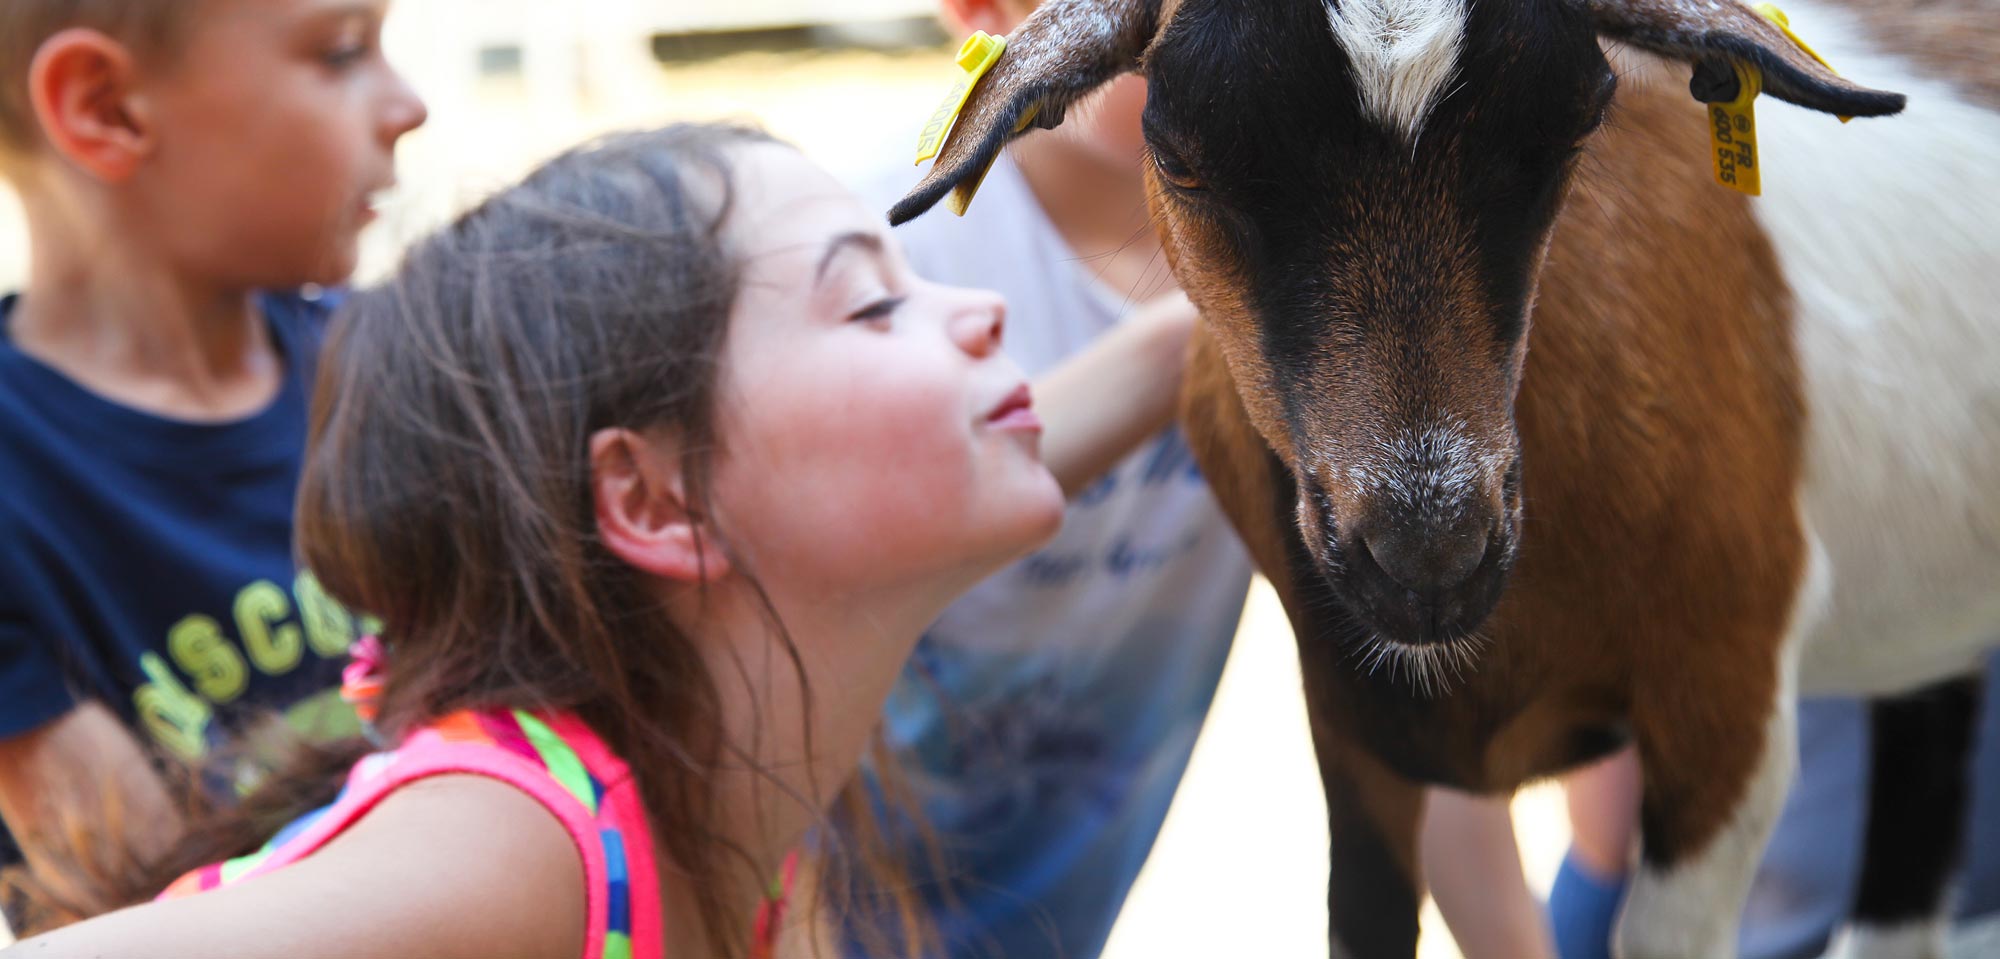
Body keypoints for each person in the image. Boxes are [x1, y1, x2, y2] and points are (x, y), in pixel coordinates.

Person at [2, 119, 1201, 959]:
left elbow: (1059, 412)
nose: (979, 310)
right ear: (656, 499)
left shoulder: (743, 808)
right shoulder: (520, 839)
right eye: (874, 301)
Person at [0, 0, 425, 925]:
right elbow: (156, 916)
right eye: (342, 51)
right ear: (105, 108)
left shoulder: (398, 369)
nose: (408, 105)